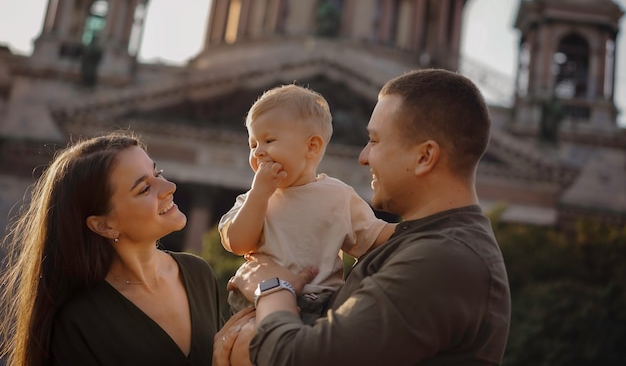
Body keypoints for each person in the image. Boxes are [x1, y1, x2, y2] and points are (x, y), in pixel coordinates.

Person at [214, 69, 512, 366]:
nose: (363, 156)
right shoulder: (426, 243)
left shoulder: (443, 258)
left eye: (375, 140)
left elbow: (299, 359)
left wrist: (274, 288)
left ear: (424, 157)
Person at [0, 131, 223, 366]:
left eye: (157, 173)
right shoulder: (78, 322)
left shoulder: (198, 273)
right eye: (144, 189)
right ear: (104, 225)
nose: (169, 186)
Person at [218, 84, 394, 324]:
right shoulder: (253, 199)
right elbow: (238, 243)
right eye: (253, 144)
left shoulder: (339, 196)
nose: (258, 152)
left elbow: (375, 237)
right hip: (255, 301)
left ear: (312, 146)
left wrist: (422, 223)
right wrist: (259, 194)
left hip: (321, 304)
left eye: (268, 140)